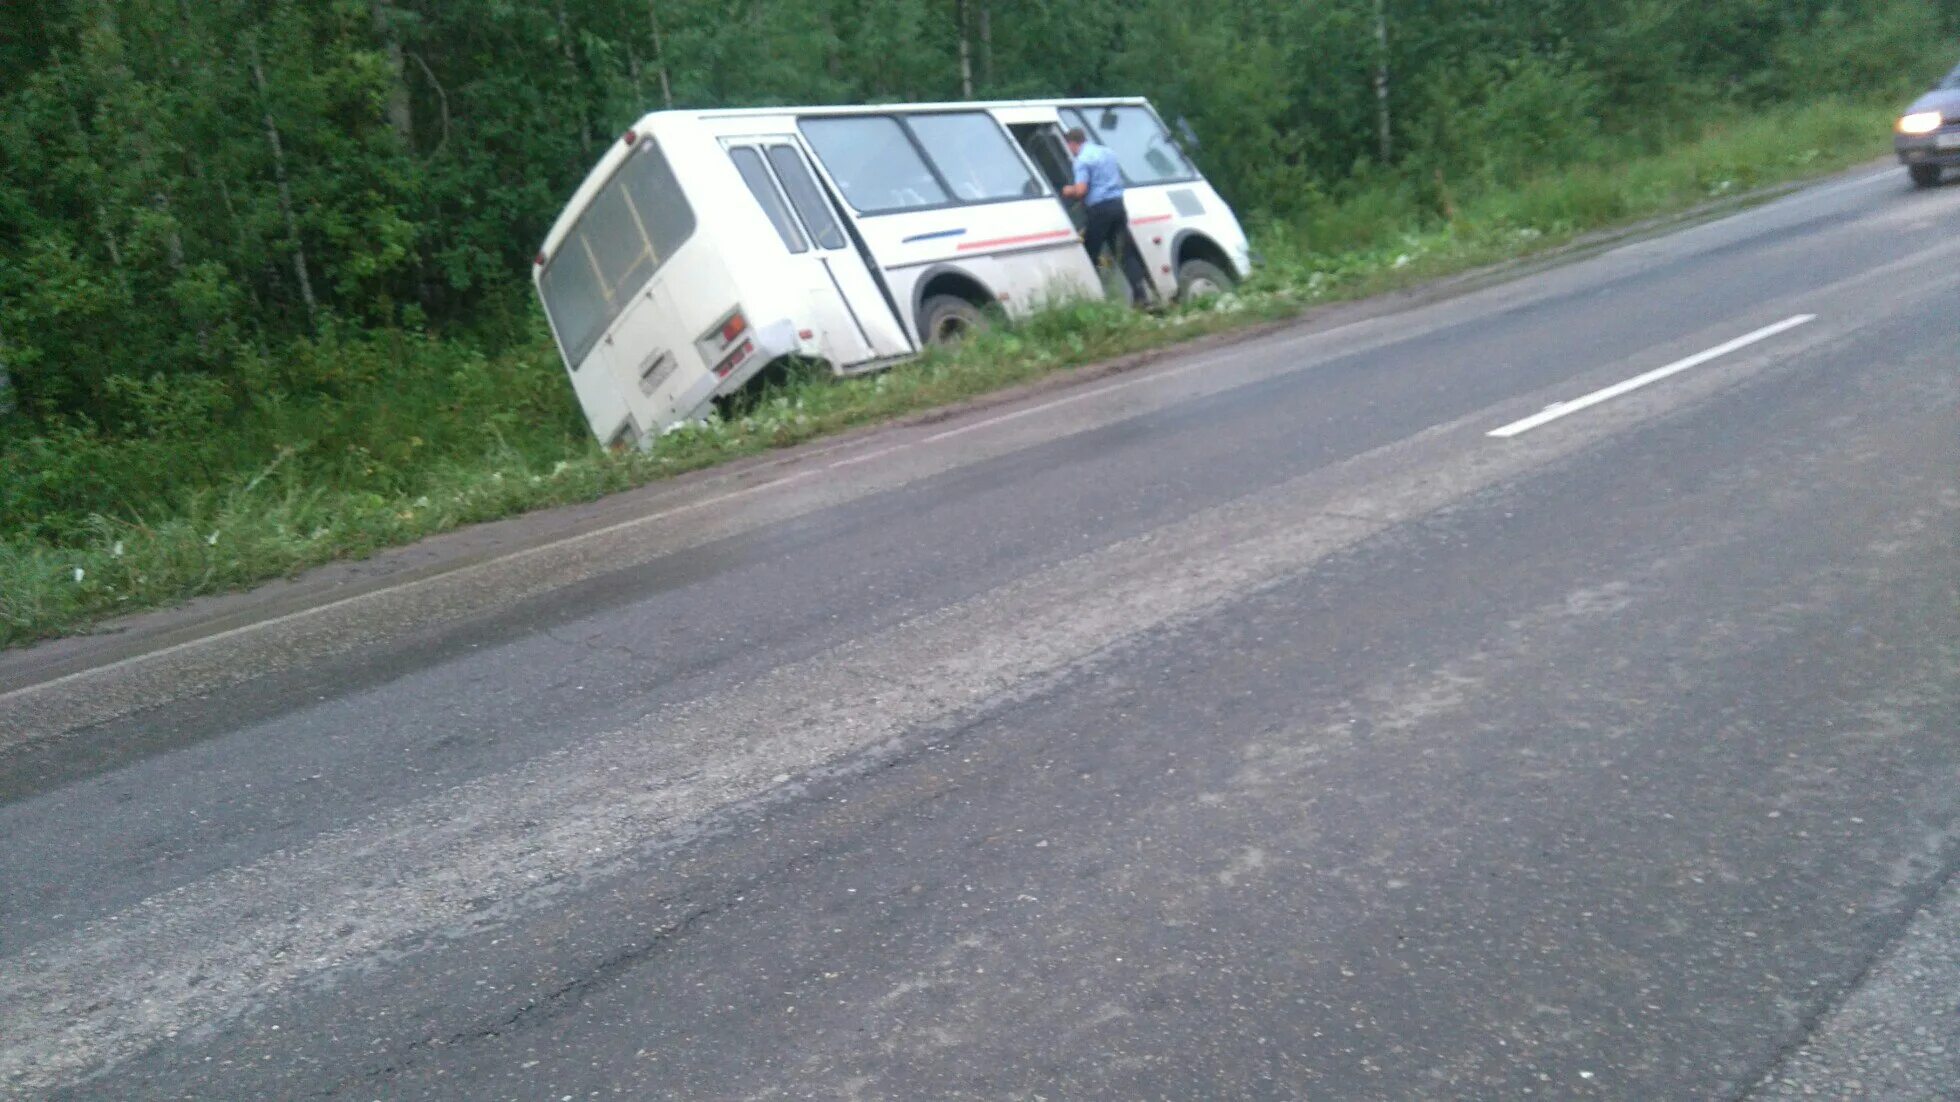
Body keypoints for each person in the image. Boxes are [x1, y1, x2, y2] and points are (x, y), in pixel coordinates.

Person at [1061, 126, 1154, 307]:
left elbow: (1081, 190)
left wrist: (1067, 190)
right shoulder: (1108, 153)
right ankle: (1142, 297)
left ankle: (1098, 301)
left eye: (1069, 147)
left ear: (1072, 143)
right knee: (1125, 253)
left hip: (1099, 210)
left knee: (1089, 252)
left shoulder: (1082, 160)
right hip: (1117, 206)